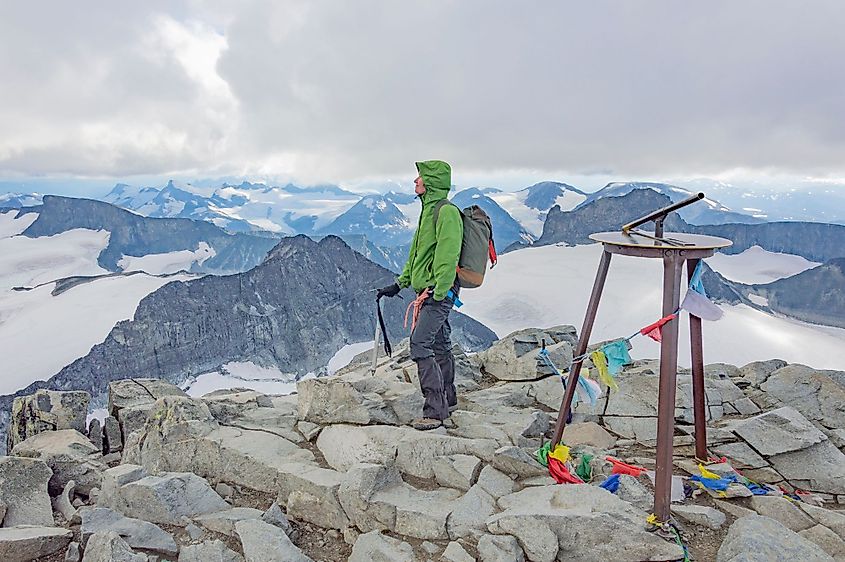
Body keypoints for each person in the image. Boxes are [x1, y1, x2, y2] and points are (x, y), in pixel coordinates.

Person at [377, 160, 463, 430]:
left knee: (419, 344)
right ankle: (448, 399)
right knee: (439, 344)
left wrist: (440, 291)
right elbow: (418, 255)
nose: (415, 181)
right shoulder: (429, 211)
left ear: (431, 182)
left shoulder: (445, 213)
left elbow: (448, 256)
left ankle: (435, 412)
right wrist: (400, 283)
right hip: (431, 290)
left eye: (420, 177)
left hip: (438, 291)